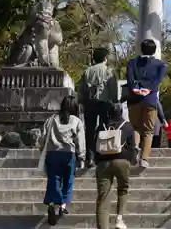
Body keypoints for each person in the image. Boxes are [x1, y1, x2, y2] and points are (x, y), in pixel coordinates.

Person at [39, 95, 85, 225]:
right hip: (68, 154)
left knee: (54, 179)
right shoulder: (76, 121)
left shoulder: (51, 119)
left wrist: (41, 148)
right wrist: (81, 157)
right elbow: (80, 141)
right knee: (68, 180)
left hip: (52, 153)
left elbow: (42, 138)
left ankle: (52, 204)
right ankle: (62, 206)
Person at [126, 39, 167, 168]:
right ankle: (144, 159)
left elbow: (129, 78)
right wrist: (148, 88)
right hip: (150, 99)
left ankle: (135, 147)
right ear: (154, 50)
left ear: (141, 49)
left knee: (135, 127)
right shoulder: (160, 65)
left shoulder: (132, 63)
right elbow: (158, 80)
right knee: (148, 130)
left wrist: (135, 89)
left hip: (134, 99)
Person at [95, 103, 135, 229]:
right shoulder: (128, 126)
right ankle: (119, 219)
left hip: (103, 163)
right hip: (122, 161)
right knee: (123, 189)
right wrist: (131, 160)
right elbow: (132, 146)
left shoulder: (101, 125)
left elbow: (95, 144)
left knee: (103, 198)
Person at [78, 47, 118, 167]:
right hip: (104, 103)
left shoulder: (87, 71)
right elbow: (113, 89)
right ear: (105, 58)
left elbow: (81, 89)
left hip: (89, 103)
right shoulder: (108, 71)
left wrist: (81, 101)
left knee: (89, 130)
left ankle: (89, 157)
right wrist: (114, 101)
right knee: (104, 128)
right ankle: (102, 155)